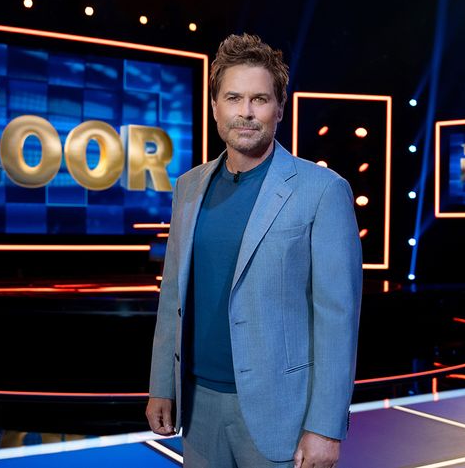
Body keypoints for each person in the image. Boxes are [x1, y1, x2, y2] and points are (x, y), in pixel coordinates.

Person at [146, 33, 362, 468]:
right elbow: (173, 298)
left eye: (259, 99)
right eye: (233, 98)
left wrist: (324, 427)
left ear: (279, 108)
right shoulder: (188, 186)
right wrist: (161, 386)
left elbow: (337, 320)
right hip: (197, 407)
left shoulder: (323, 190)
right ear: (215, 106)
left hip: (281, 413)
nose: (245, 111)